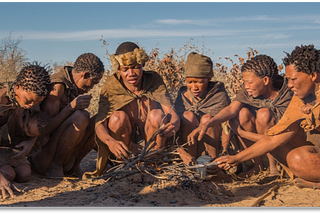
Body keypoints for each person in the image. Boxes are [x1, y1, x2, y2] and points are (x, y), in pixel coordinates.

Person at [215, 44, 320, 189]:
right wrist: (236, 158)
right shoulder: (299, 100)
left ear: (313, 76)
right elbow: (274, 138)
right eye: (287, 79)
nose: (289, 85)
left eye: (293, 79)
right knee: (297, 158)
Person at [83, 42, 180, 179]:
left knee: (157, 114)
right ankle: (123, 164)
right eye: (125, 69)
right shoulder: (112, 85)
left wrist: (175, 123)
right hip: (124, 143)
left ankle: (152, 162)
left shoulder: (153, 80)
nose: (131, 73)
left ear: (142, 65)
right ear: (118, 69)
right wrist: (110, 142)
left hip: (151, 139)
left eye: (135, 67)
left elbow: (171, 112)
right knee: (117, 118)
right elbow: (100, 124)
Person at [188, 54, 293, 176]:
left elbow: (275, 139)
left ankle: (273, 167)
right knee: (242, 113)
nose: (246, 86)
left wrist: (241, 133)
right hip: (261, 136)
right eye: (244, 82)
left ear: (265, 80)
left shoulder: (287, 93)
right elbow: (231, 109)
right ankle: (257, 165)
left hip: (283, 139)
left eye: (249, 82)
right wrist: (206, 124)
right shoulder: (248, 91)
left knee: (264, 113)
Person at [31, 53, 105, 178]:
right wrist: (71, 108)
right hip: (43, 156)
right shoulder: (57, 87)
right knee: (81, 116)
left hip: (64, 153)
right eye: (92, 83)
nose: (91, 87)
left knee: (100, 119)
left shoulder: (73, 86)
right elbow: (45, 131)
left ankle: (74, 165)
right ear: (85, 75)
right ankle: (55, 166)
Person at [0, 63, 52, 198]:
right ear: (18, 87)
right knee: (8, 175)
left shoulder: (30, 98)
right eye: (29, 101)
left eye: (35, 102)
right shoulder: (1, 100)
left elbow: (37, 122)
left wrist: (31, 142)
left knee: (24, 174)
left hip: (4, 146)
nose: (30, 106)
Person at [174, 52, 230, 163]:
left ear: (208, 79)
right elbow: (175, 126)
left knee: (207, 119)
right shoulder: (182, 96)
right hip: (189, 144)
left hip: (213, 142)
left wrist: (225, 150)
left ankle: (213, 161)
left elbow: (227, 125)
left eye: (198, 82)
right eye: (189, 82)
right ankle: (191, 162)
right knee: (187, 116)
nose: (194, 87)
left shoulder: (218, 95)